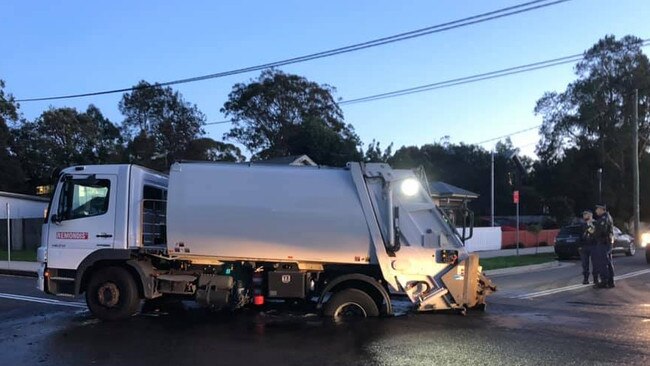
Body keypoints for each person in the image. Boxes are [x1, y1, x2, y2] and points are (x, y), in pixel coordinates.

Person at [593, 204, 615, 289]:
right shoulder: (608, 217)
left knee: (603, 263)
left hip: (603, 242)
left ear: (602, 209)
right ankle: (610, 281)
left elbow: (601, 231)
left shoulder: (604, 219)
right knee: (608, 262)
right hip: (607, 242)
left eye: (597, 209)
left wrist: (594, 232)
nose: (596, 211)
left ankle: (604, 281)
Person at [579, 210, 596, 284]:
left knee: (595, 263)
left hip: (593, 245)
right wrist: (579, 246)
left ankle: (595, 279)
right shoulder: (582, 224)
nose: (584, 216)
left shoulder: (595, 223)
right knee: (585, 264)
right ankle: (585, 279)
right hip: (584, 246)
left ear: (589, 215)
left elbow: (593, 232)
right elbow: (580, 235)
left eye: (585, 214)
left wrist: (589, 225)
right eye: (583, 215)